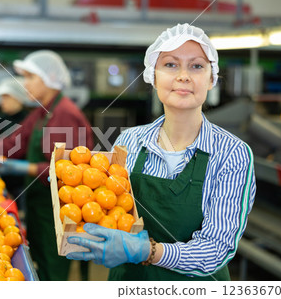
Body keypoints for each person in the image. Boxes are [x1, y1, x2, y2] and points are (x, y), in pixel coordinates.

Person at [66, 23, 256, 281]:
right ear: (152, 77)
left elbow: (215, 251)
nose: (184, 76)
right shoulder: (129, 141)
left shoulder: (233, 154)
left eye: (197, 66)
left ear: (212, 79)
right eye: (170, 64)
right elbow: (107, 210)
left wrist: (147, 251)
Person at [0, 50, 94, 281]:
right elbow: (14, 142)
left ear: (49, 78)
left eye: (30, 77)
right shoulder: (41, 112)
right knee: (40, 267)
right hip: (39, 205)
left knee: (52, 269)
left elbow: (66, 171)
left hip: (57, 210)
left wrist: (21, 168)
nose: (24, 84)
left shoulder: (64, 115)